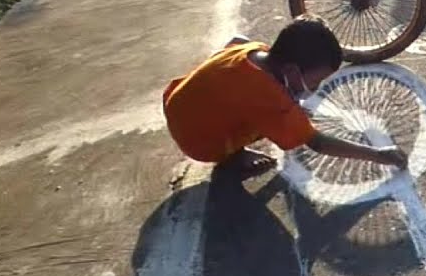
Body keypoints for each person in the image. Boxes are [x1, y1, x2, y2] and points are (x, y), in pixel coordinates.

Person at [162, 15, 407, 177]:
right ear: (291, 70)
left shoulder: (254, 51)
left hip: (176, 103)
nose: (316, 86)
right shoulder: (271, 98)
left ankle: (223, 118)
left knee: (241, 49)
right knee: (282, 115)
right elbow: (317, 142)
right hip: (198, 142)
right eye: (315, 80)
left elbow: (233, 41)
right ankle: (232, 155)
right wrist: (378, 154)